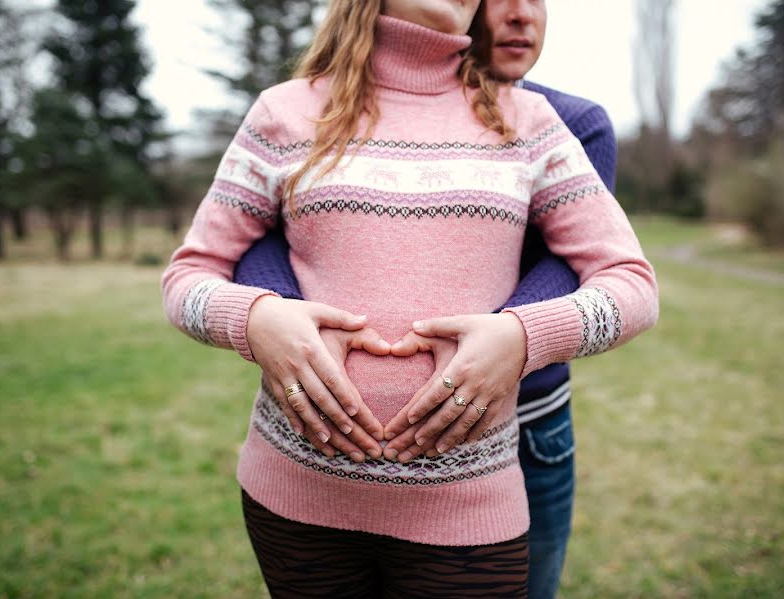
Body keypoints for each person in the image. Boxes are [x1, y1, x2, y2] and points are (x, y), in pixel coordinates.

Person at [161, 0, 658, 596]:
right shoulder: (285, 112)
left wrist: (525, 338)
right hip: (294, 499)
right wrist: (255, 320)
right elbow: (189, 275)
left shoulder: (527, 121)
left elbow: (632, 283)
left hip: (468, 512)